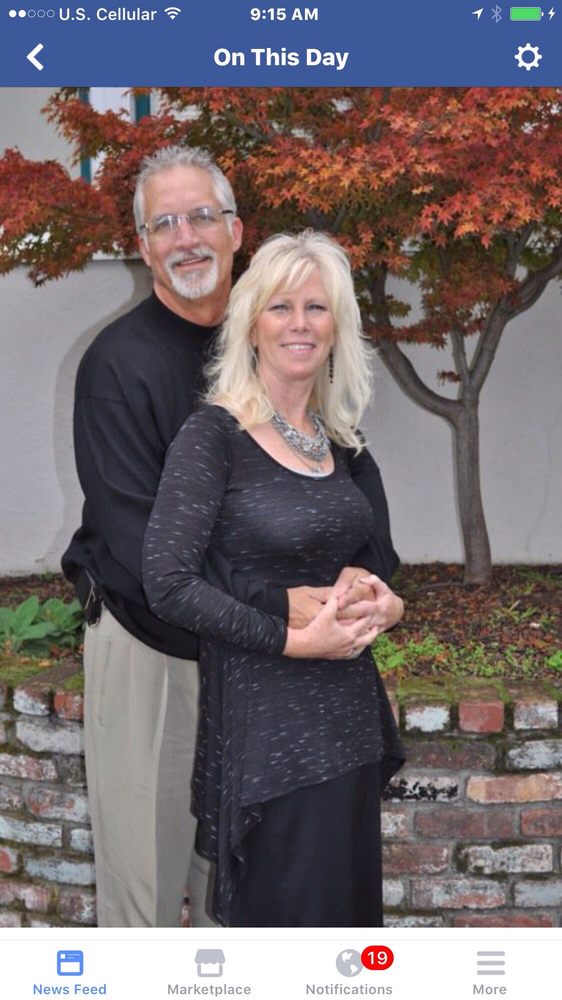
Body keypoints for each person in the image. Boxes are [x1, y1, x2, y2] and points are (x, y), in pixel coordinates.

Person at [62, 147, 402, 928]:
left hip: (265, 668)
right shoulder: (119, 364)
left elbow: (343, 512)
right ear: (143, 245)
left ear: (236, 230)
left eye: (202, 217)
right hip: (158, 650)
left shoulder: (281, 353)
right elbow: (140, 548)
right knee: (148, 889)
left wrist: (364, 595)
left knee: (239, 895)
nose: (186, 238)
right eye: (164, 224)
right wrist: (281, 609)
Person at [143, 230, 405, 927]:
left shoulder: (342, 442)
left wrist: (387, 604)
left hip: (349, 718)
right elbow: (167, 581)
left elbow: (378, 557)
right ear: (251, 323)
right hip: (272, 732)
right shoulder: (213, 437)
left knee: (347, 936)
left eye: (317, 308)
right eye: (281, 307)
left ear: (336, 328)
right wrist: (291, 641)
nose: (300, 324)